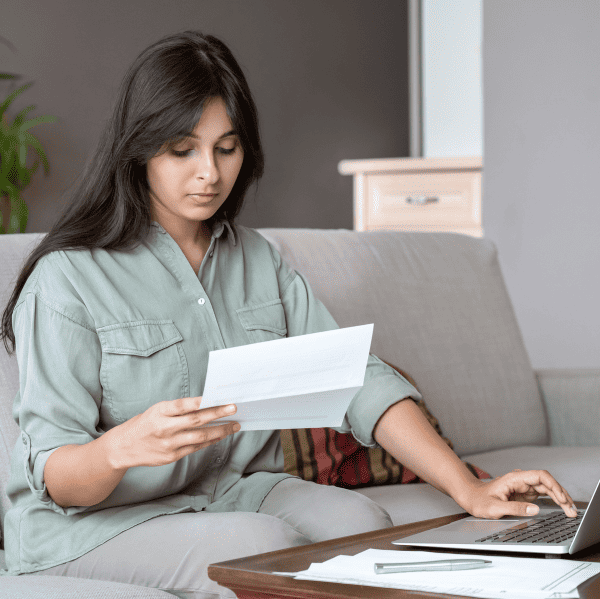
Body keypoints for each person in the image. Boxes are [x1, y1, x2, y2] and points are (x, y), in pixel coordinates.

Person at [0, 30, 576, 598]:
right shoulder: (67, 278)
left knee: (363, 526)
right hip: (90, 524)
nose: (209, 173)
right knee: (261, 543)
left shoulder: (256, 259)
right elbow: (57, 476)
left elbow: (358, 378)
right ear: (139, 149)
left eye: (226, 148)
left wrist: (467, 490)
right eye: (182, 150)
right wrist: (119, 448)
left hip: (229, 488)